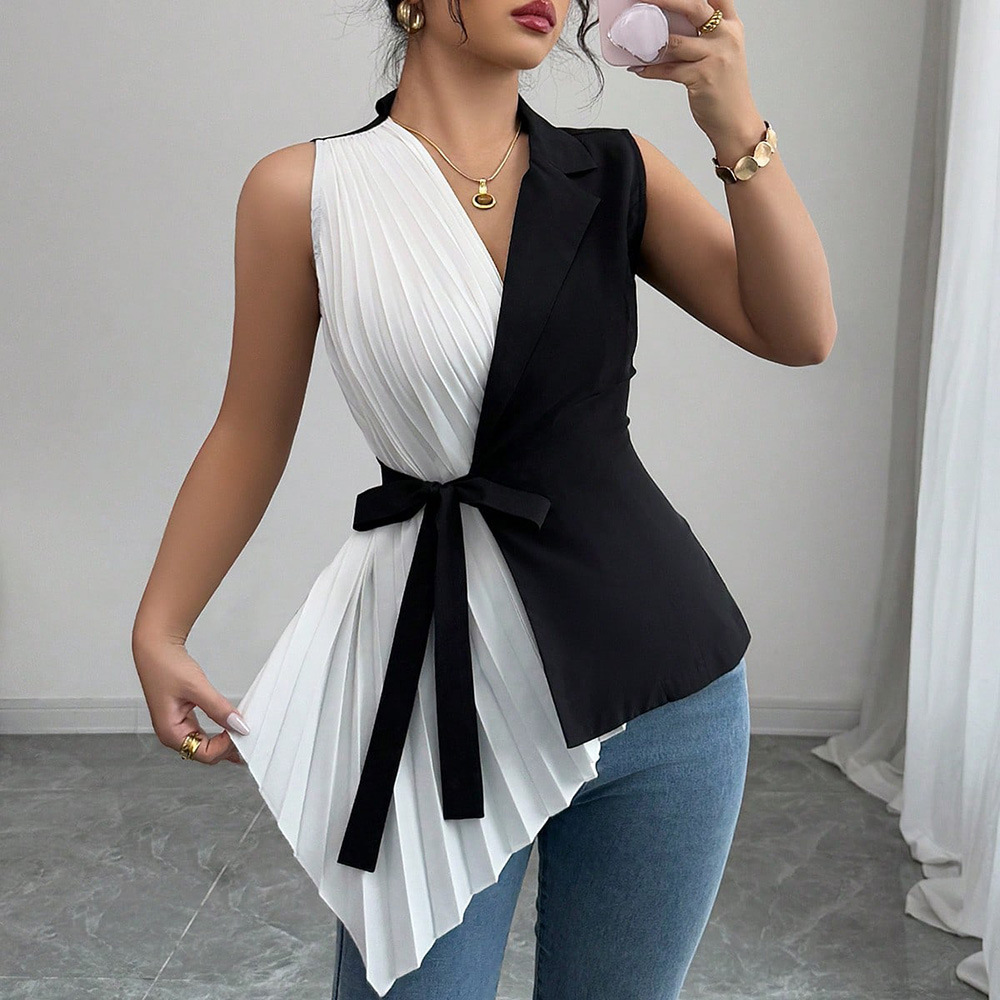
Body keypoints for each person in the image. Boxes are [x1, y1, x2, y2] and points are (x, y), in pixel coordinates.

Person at [131, 0, 836, 996]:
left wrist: (734, 123)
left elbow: (799, 330)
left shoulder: (616, 170)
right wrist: (159, 626)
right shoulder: (305, 189)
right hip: (437, 688)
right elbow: (250, 430)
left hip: (663, 690)